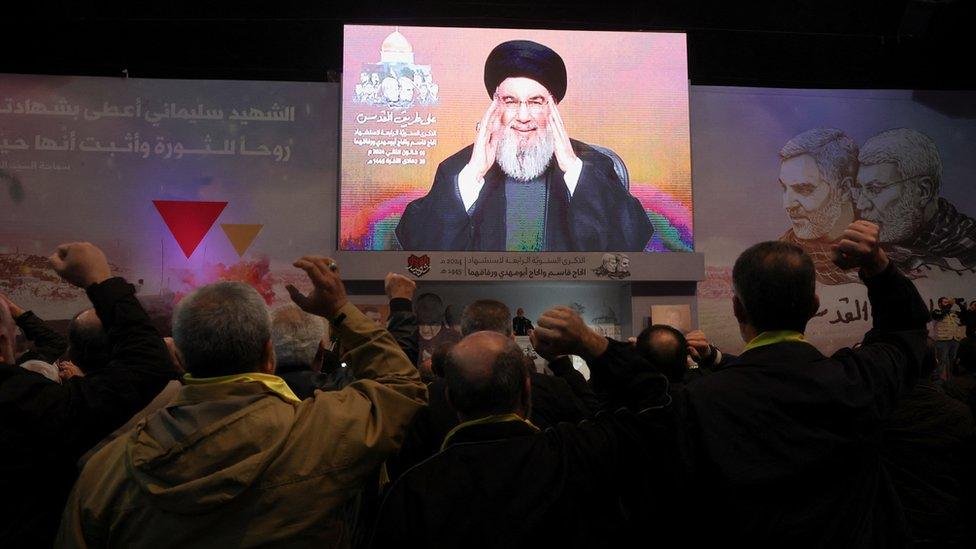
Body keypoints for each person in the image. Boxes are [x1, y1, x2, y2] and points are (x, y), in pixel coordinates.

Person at [58, 256, 427, 548]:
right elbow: (401, 384)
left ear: (180, 359)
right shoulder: (324, 431)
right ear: (269, 355)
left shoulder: (106, 470)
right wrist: (339, 311)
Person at [671, 220, 929, 547]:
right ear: (814, 306)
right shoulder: (857, 384)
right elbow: (906, 331)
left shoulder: (696, 402)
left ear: (737, 307)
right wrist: (877, 266)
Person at [371, 307, 670, 548]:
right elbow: (654, 407)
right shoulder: (574, 457)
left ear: (450, 399)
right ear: (527, 391)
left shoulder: (414, 490)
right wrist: (592, 344)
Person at [396, 39, 653, 252]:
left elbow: (632, 241)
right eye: (510, 101)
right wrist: (473, 175)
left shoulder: (593, 164)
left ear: (553, 107)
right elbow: (419, 246)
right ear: (495, 107)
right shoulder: (461, 167)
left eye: (535, 101)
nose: (522, 116)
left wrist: (573, 168)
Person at [0, 242, 174, 547]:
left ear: (74, 350)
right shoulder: (37, 405)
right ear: (4, 341)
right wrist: (99, 280)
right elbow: (148, 362)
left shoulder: (49, 393)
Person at [389, 299, 598, 481]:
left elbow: (404, 464)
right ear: (525, 393)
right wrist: (560, 361)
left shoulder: (429, 398)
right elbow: (594, 421)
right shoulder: (552, 390)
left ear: (451, 397)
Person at [881, 339, 976, 546]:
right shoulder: (958, 413)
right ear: (934, 363)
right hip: (948, 521)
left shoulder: (878, 414)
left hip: (893, 524)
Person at [855, 128, 976, 273]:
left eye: (874, 189)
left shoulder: (968, 247)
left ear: (923, 191)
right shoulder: (879, 248)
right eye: (860, 189)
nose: (860, 204)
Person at [778, 128, 860, 284]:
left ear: (844, 190)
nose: (787, 204)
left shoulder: (895, 257)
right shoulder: (775, 263)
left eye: (803, 189)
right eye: (784, 188)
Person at [931, 297, 965, 381]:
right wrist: (950, 304)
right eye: (945, 302)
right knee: (942, 360)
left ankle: (950, 381)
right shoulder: (936, 312)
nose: (947, 303)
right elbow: (940, 315)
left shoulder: (953, 313)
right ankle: (936, 380)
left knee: (952, 361)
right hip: (943, 340)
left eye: (948, 302)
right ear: (939, 304)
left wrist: (958, 303)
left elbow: (965, 314)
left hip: (955, 340)